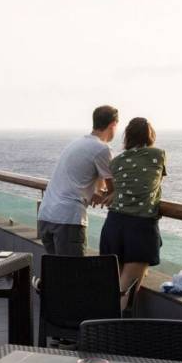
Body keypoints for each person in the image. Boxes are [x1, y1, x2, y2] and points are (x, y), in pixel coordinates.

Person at [99, 117, 166, 309]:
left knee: (113, 282)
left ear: (127, 136)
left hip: (113, 224)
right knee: (124, 288)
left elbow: (122, 187)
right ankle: (108, 332)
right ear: (150, 135)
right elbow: (153, 184)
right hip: (139, 226)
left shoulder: (117, 161)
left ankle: (99, 330)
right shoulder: (158, 155)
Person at [37, 105, 118, 256]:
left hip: (46, 216)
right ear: (113, 124)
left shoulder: (77, 143)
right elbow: (114, 189)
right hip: (67, 219)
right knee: (74, 275)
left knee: (57, 274)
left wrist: (96, 191)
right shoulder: (102, 149)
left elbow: (90, 175)